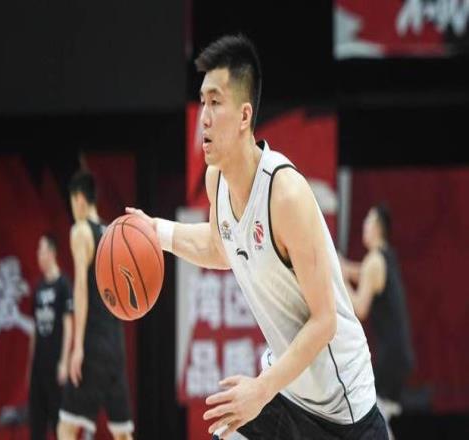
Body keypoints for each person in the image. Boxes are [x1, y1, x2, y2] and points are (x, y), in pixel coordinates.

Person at [126, 34, 387, 439]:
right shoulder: (216, 181)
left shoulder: (286, 195)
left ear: (244, 115)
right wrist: (154, 231)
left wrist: (261, 390)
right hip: (287, 389)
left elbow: (325, 322)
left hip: (342, 409)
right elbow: (219, 246)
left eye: (216, 103)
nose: (203, 117)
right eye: (202, 102)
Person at [57, 171, 134, 440]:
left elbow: (80, 286)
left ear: (79, 198)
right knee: (122, 432)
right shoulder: (111, 232)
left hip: (92, 343)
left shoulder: (80, 231)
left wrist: (77, 346)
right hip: (116, 345)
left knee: (66, 427)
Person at [340, 204, 414, 439]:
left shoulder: (374, 260)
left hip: (389, 357)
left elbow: (360, 308)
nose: (364, 225)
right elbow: (361, 272)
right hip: (398, 355)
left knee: (374, 416)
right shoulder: (385, 256)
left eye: (368, 221)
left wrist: (340, 279)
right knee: (377, 417)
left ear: (377, 228)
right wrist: (343, 267)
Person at [28, 234, 73, 440]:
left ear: (52, 253)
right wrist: (30, 367)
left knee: (59, 424)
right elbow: (34, 328)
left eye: (42, 250)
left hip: (56, 366)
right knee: (36, 426)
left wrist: (64, 362)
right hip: (39, 366)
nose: (39, 255)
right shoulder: (38, 287)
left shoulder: (63, 284)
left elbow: (68, 324)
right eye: (38, 251)